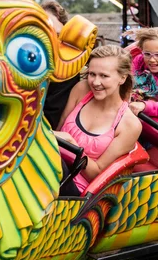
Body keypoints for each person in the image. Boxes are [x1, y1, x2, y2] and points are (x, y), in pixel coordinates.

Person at [54, 45, 142, 195]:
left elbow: (97, 174)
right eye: (92, 74)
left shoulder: (129, 124)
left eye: (104, 76)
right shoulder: (82, 89)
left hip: (76, 187)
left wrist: (72, 145)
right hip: (52, 163)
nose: (95, 82)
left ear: (122, 77)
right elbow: (59, 128)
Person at [41, 0, 80, 129]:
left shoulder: (67, 71)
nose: (51, 41)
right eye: (45, 33)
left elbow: (52, 119)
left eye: (56, 34)